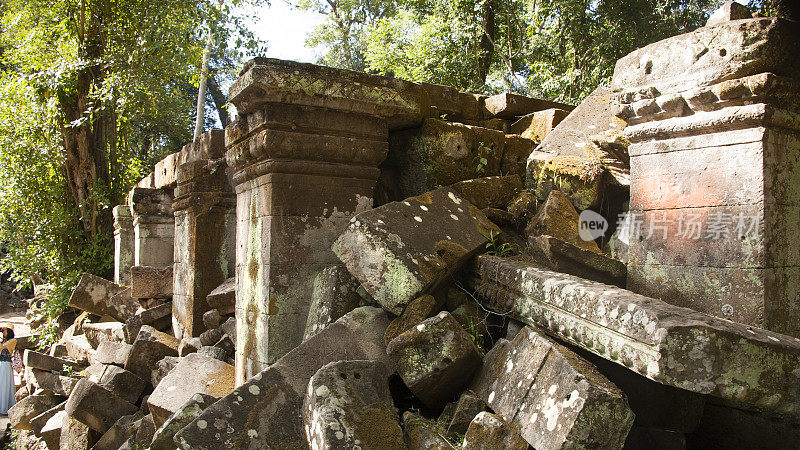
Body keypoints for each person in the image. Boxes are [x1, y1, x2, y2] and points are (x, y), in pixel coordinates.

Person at [0, 326, 16, 415]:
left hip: (5, 364)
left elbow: (3, 348)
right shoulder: (4, 341)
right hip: (1, 364)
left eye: (5, 330)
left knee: (4, 384)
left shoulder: (13, 341)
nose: (3, 332)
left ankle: (4, 407)